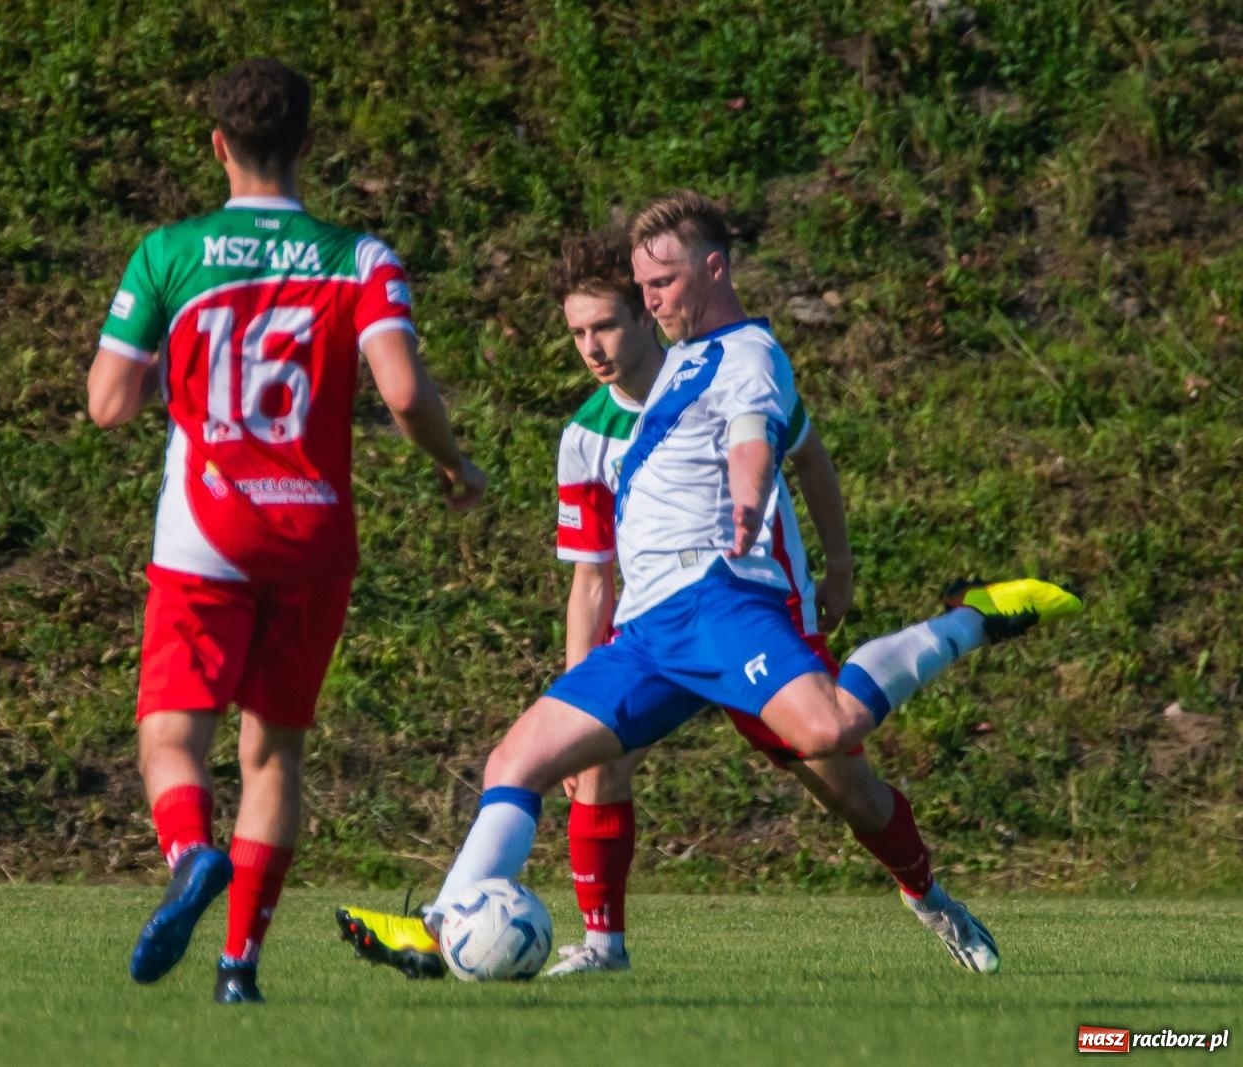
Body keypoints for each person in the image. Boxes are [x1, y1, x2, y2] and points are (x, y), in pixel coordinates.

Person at [334, 192, 1081, 980]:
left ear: (709, 271)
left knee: (841, 764)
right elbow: (593, 573)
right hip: (649, 630)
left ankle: (967, 636)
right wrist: (581, 671)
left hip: (728, 604)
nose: (642, 308)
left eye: (652, 290)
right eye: (634, 291)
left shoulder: (748, 353)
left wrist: (784, 519)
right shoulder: (611, 414)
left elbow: (765, 440)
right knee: (513, 761)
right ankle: (448, 924)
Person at [87, 57, 484, 1005]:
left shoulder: (168, 251)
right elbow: (399, 391)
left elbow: (108, 403)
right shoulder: (359, 256)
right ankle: (238, 969)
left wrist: (157, 376)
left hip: (205, 534)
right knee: (275, 751)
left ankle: (190, 852)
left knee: (171, 736)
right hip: (312, 534)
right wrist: (453, 462)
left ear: (218, 145)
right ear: (308, 145)